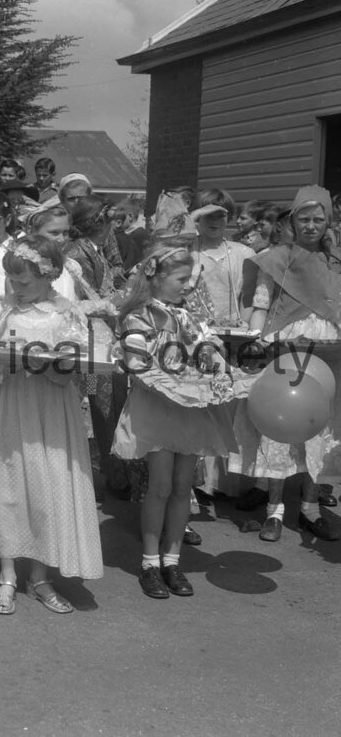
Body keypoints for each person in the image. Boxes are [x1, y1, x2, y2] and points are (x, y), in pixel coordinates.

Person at [0, 236, 103, 615]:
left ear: (49, 276)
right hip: (7, 405)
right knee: (7, 485)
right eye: (10, 280)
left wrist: (56, 364)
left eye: (23, 282)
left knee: (45, 486)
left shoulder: (65, 314)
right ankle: (6, 573)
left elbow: (73, 370)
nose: (14, 288)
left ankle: (39, 575)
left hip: (49, 410)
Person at [112, 244, 239, 599]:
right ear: (158, 277)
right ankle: (150, 562)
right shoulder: (140, 316)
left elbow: (208, 346)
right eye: (182, 279)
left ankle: (173, 559)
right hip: (158, 407)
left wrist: (215, 359)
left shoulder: (187, 317)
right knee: (161, 486)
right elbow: (135, 360)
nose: (188, 286)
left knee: (184, 487)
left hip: (190, 408)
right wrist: (159, 365)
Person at [230, 185, 341, 542]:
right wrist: (256, 341)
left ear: (328, 222)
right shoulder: (277, 258)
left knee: (319, 430)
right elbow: (261, 305)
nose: (311, 226)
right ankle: (274, 510)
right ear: (292, 220)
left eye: (318, 219)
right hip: (284, 349)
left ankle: (310, 508)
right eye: (304, 219)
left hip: (329, 354)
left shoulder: (336, 261)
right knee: (278, 429)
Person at [191, 189, 254, 327]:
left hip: (231, 330)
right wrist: (192, 216)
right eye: (208, 215)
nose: (214, 221)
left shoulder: (244, 254)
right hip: (194, 329)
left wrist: (244, 323)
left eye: (220, 216)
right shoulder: (186, 249)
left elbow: (247, 297)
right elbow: (161, 245)